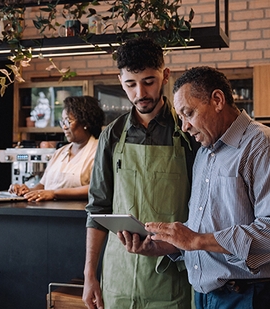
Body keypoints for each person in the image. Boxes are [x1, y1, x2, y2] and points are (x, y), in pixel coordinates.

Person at [119, 66, 270, 309]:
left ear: (217, 100)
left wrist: (197, 240)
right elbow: (207, 229)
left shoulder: (265, 147)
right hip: (205, 296)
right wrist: (170, 245)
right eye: (180, 117)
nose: (184, 126)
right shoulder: (205, 152)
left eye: (189, 113)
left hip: (249, 296)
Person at [83, 37, 199, 309]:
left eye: (149, 81)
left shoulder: (187, 132)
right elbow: (98, 208)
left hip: (171, 273)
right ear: (120, 80)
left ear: (165, 76)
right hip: (119, 272)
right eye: (130, 84)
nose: (140, 93)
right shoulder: (111, 135)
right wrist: (90, 274)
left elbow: (204, 207)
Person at [9, 96, 105, 202]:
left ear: (86, 122)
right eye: (62, 122)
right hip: (50, 214)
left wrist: (54, 194)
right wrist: (27, 191)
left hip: (77, 214)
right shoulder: (60, 152)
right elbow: (43, 185)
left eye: (68, 121)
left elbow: (97, 189)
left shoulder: (99, 151)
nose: (64, 127)